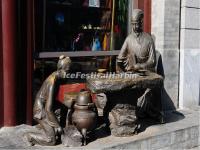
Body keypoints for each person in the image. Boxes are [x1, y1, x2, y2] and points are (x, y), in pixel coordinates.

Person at [116, 9, 163, 122]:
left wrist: (139, 66)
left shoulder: (148, 39)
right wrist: (121, 68)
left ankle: (151, 113)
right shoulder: (128, 39)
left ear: (142, 22)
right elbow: (120, 58)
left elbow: (152, 61)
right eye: (133, 23)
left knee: (149, 92)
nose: (135, 26)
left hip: (147, 74)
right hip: (132, 74)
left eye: (137, 23)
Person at [25, 55, 71, 146]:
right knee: (51, 140)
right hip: (40, 110)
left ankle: (55, 129)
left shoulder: (57, 77)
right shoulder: (52, 82)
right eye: (68, 70)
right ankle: (29, 136)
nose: (68, 73)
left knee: (65, 106)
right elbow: (48, 109)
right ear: (62, 70)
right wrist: (57, 126)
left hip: (46, 106)